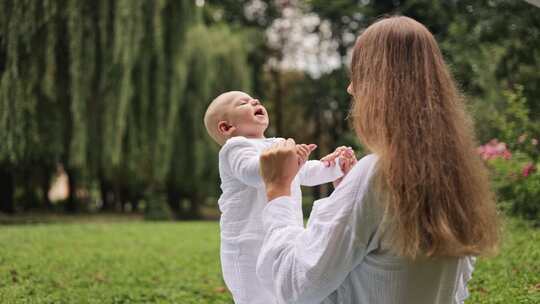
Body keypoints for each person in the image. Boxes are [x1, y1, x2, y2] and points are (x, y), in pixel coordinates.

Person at [257, 16, 499, 304]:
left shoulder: (377, 176)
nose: (350, 88)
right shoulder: (457, 173)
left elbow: (295, 286)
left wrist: (278, 190)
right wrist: (349, 192)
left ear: (378, 86)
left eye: (358, 74)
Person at [203, 90, 357, 304]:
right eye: (243, 103)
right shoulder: (235, 148)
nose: (255, 100)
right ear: (227, 127)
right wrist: (287, 159)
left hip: (281, 236)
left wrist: (336, 167)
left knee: (282, 294)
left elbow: (306, 173)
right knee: (254, 297)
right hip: (246, 245)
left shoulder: (279, 144)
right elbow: (252, 173)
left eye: (254, 99)